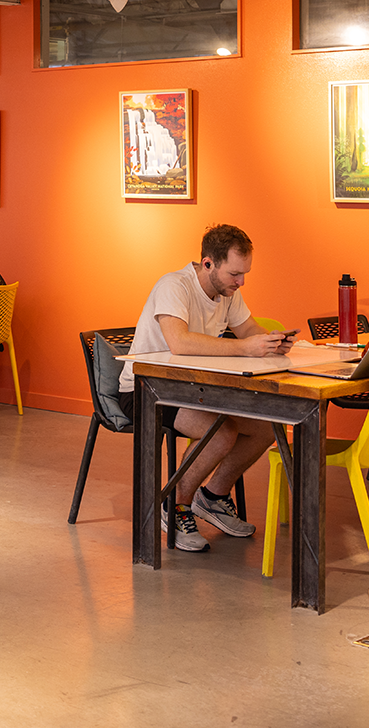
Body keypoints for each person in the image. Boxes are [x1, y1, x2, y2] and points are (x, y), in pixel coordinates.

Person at [118, 224, 295, 552]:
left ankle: (212, 497)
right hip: (148, 389)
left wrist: (272, 342)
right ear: (208, 263)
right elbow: (179, 342)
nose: (241, 282)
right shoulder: (174, 286)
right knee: (223, 431)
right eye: (235, 273)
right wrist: (246, 348)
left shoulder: (228, 292)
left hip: (193, 388)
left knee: (266, 427)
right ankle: (176, 505)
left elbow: (248, 329)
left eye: (244, 274)